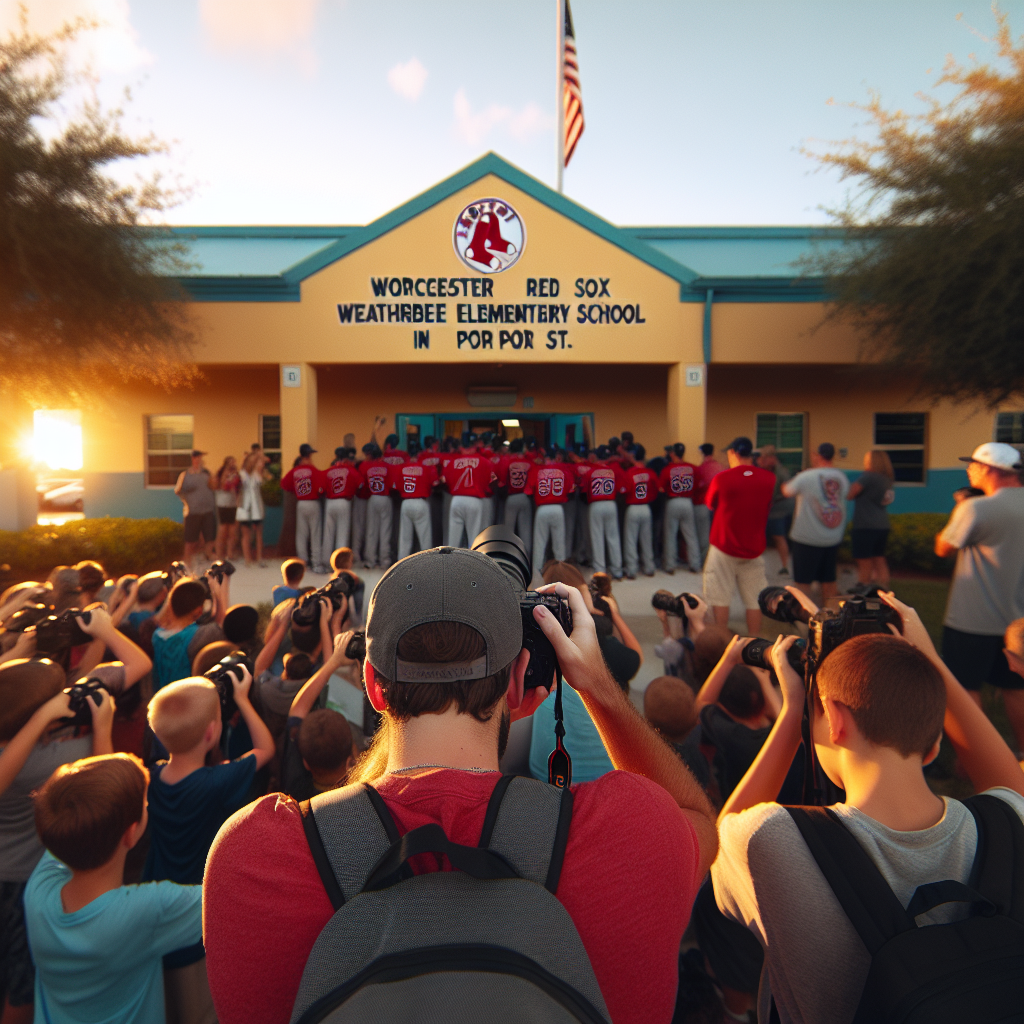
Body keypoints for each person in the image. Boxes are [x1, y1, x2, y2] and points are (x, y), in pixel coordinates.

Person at [204, 546, 718, 1024]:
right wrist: (598, 686)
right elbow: (696, 818)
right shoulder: (626, 831)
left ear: (373, 685)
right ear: (518, 683)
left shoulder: (256, 857)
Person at [711, 593, 1024, 1024]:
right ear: (935, 744)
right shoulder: (1008, 823)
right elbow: (1010, 785)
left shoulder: (772, 840)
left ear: (836, 721)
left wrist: (791, 717)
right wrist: (930, 660)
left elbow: (718, 838)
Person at [0, 623, 146, 1024]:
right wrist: (103, 627)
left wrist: (21, 652)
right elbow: (105, 785)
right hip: (29, 881)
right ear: (45, 713)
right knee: (22, 979)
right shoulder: (56, 762)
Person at [24, 753, 203, 1024]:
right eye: (145, 803)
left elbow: (69, 811)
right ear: (130, 834)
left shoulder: (37, 891)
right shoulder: (149, 910)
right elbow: (224, 899)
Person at [144, 670, 275, 1018]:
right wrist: (244, 699)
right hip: (198, 913)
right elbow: (266, 748)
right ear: (212, 732)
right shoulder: (217, 781)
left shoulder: (152, 777)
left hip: (158, 905)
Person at [935, 441, 1024, 754]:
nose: (969, 470)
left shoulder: (975, 507)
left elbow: (943, 547)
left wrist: (962, 507)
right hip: (1017, 621)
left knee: (966, 688)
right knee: (1015, 687)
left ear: (989, 469)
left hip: (972, 619)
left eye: (973, 464)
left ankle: (974, 760)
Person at [703, 437, 775, 635]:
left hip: (724, 546)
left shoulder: (722, 478)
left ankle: (722, 643)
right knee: (754, 600)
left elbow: (710, 503)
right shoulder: (768, 479)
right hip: (753, 548)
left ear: (733, 453)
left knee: (719, 597)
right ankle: (754, 642)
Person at [781, 442, 850, 603]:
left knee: (803, 582)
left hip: (807, 538)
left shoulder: (806, 476)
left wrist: (784, 482)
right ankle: (831, 618)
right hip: (832, 537)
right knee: (829, 580)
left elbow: (787, 491)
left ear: (817, 456)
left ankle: (806, 618)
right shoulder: (841, 477)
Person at [526, 450, 574, 578]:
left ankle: (537, 572)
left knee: (540, 543)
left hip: (542, 508)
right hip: (558, 508)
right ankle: (561, 572)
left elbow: (529, 492)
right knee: (559, 543)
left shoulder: (537, 469)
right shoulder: (563, 470)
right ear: (556, 457)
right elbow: (571, 490)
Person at [281, 444, 326, 575]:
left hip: (301, 503)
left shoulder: (295, 470)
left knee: (302, 534)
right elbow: (322, 487)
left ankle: (302, 562)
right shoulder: (313, 470)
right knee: (315, 534)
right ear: (309, 455)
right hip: (313, 503)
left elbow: (284, 484)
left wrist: (295, 490)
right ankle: (316, 563)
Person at [445, 435, 495, 550]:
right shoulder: (484, 462)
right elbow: (494, 481)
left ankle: (450, 566)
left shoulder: (452, 462)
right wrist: (484, 489)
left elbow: (445, 481)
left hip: (456, 500)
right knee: (474, 541)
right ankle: (472, 567)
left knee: (453, 542)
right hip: (474, 500)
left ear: (461, 446)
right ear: (475, 446)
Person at [660, 443, 701, 574]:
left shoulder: (668, 469)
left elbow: (661, 488)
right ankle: (695, 564)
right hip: (688, 502)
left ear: (672, 454)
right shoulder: (692, 468)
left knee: (670, 534)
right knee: (690, 535)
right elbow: (698, 484)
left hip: (673, 502)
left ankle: (670, 565)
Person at [620, 447, 659, 578]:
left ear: (633, 456)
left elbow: (624, 490)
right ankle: (649, 567)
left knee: (631, 540)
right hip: (646, 507)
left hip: (633, 508)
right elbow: (656, 490)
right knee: (646, 539)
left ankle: (631, 570)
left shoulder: (630, 472)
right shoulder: (650, 472)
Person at [174, 450, 217, 570]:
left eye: (201, 458)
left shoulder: (206, 473)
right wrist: (187, 501)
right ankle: (187, 565)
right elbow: (178, 491)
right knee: (190, 541)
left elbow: (213, 487)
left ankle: (207, 560)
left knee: (209, 538)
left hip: (208, 511)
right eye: (198, 457)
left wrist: (213, 479)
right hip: (193, 512)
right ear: (193, 459)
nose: (200, 460)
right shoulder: (186, 475)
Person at [586, 446, 625, 578]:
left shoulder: (590, 471)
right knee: (613, 537)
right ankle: (617, 570)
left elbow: (584, 490)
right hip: (611, 504)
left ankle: (600, 571)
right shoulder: (614, 470)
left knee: (597, 538)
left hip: (596, 505)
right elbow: (621, 489)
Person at [757, 444, 795, 577]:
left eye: (765, 457)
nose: (762, 460)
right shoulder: (766, 470)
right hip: (769, 509)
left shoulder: (779, 472)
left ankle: (784, 566)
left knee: (778, 537)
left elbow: (772, 493)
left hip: (778, 509)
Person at [392, 455, 438, 560]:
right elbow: (435, 484)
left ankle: (401, 563)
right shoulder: (426, 467)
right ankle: (428, 564)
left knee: (405, 539)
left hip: (406, 502)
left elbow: (395, 487)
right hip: (420, 502)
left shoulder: (401, 468)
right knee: (425, 539)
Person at [321, 447, 359, 569]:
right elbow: (361, 484)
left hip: (330, 502)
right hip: (344, 502)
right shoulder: (350, 470)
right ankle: (340, 565)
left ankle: (326, 562)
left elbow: (321, 488)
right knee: (342, 534)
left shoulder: (329, 470)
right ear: (347, 457)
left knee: (328, 533)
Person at [237, 446, 269, 568]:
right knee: (246, 533)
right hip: (245, 506)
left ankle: (259, 557)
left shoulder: (258, 475)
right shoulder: (242, 474)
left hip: (257, 506)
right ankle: (247, 559)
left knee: (259, 532)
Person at [503, 439, 534, 559]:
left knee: (509, 530)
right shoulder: (530, 462)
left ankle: (508, 557)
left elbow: (502, 481)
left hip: (511, 497)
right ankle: (526, 558)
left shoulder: (507, 461)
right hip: (525, 497)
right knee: (525, 531)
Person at [694, 443, 724, 562]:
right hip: (719, 506)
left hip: (703, 504)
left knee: (703, 536)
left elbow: (698, 486)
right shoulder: (720, 467)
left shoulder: (701, 469)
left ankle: (705, 561)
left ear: (702, 453)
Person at [213, 455, 241, 560]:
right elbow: (222, 486)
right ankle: (219, 554)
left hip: (233, 504)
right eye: (231, 462)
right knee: (223, 530)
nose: (233, 464)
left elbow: (237, 488)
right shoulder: (222, 473)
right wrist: (227, 479)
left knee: (232, 531)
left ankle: (230, 553)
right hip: (223, 504)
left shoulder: (236, 474)